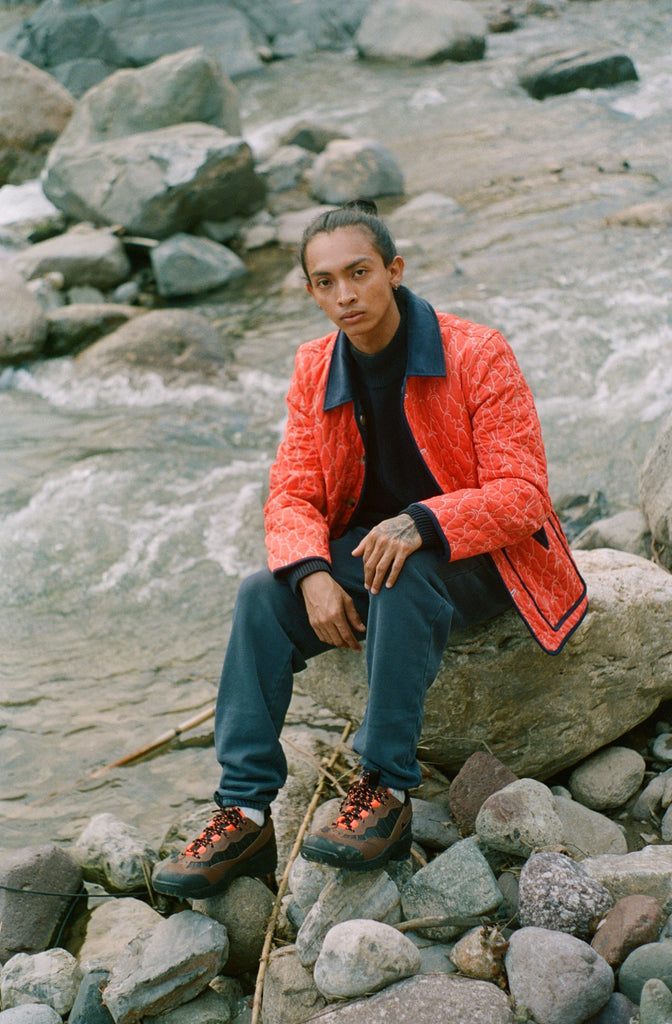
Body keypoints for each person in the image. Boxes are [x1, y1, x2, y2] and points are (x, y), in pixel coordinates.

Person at [152, 200, 588, 899]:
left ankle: (383, 790)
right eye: (324, 282)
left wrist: (420, 521)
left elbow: (522, 495)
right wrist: (310, 574)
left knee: (404, 571)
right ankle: (244, 811)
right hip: (372, 556)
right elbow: (291, 494)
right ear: (310, 291)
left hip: (483, 558)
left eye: (358, 273)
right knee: (260, 593)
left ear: (393, 269)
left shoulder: (475, 352)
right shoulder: (314, 366)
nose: (344, 295)